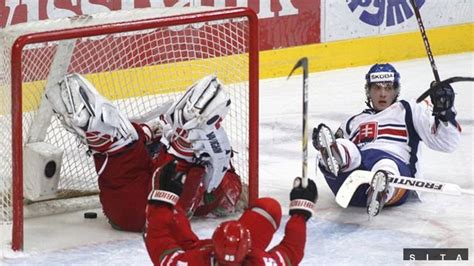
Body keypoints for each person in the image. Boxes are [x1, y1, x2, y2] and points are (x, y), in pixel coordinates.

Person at [45, 73, 243, 232]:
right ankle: (184, 146)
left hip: (126, 208)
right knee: (162, 151)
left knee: (119, 138)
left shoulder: (220, 170)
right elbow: (225, 193)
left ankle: (96, 131)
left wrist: (147, 133)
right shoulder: (214, 157)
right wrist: (153, 132)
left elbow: (224, 192)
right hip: (158, 209)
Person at [312, 63, 461, 216]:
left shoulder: (409, 109)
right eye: (377, 88)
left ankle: (382, 191)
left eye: (388, 88)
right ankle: (334, 155)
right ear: (368, 91)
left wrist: (445, 111)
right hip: (349, 184)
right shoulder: (352, 122)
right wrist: (320, 144)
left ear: (396, 91)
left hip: (396, 175)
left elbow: (448, 143)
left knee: (386, 165)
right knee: (344, 147)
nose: (382, 94)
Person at [144, 158, 318, 265]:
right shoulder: (259, 263)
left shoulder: (190, 263)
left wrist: (162, 200)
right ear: (247, 249)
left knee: (174, 223)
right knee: (268, 209)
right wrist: (301, 211)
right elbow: (291, 252)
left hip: (200, 255)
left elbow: (156, 239)